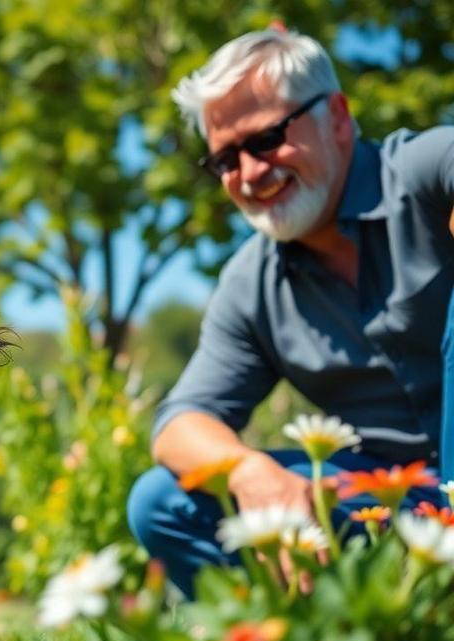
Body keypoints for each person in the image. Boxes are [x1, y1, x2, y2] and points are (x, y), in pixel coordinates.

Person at [126, 28, 454, 596]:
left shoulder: (425, 171)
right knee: (163, 502)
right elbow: (180, 423)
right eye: (226, 159)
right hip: (394, 503)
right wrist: (251, 473)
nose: (250, 174)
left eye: (268, 138)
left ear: (338, 118)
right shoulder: (252, 284)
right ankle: (335, 636)